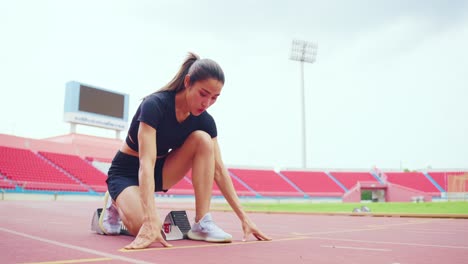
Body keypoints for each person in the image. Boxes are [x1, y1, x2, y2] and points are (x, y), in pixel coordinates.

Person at [98, 52, 271, 249]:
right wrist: (150, 218)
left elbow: (219, 171)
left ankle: (202, 223)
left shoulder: (205, 120)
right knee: (144, 228)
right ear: (188, 82)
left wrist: (244, 218)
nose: (207, 103)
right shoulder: (154, 106)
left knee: (203, 140)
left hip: (161, 169)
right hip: (128, 171)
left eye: (214, 98)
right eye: (203, 94)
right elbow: (146, 163)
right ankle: (116, 202)